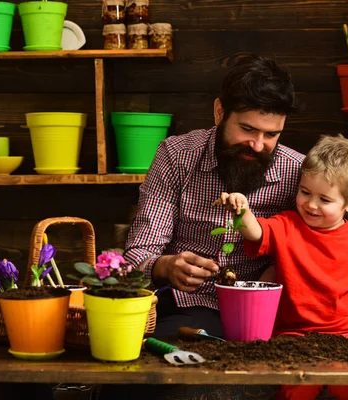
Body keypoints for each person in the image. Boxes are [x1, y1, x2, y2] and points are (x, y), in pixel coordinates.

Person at [97, 54, 304, 400]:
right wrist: (165, 266)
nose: (258, 145)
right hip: (184, 308)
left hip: (261, 317)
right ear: (220, 112)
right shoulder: (177, 156)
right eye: (248, 129)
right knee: (135, 381)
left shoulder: (296, 172)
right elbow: (138, 255)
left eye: (272, 135)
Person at [215, 134, 348, 400]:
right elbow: (256, 232)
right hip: (295, 336)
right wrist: (241, 210)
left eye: (325, 200)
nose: (311, 204)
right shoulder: (287, 224)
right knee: (296, 391)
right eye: (305, 192)